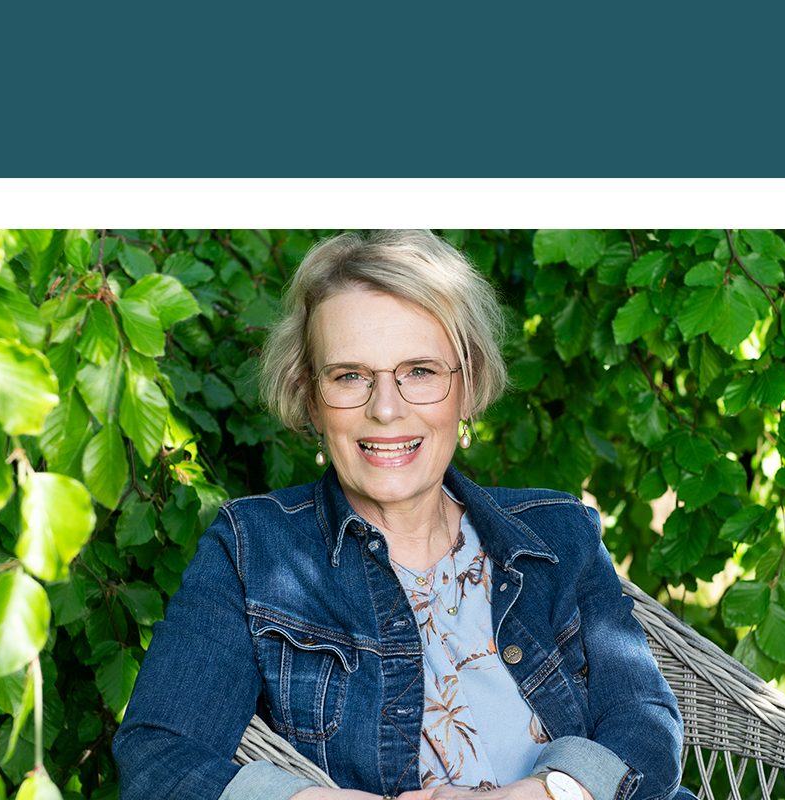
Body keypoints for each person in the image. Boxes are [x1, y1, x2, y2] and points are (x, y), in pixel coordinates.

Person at [113, 230, 694, 800]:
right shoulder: (252, 552)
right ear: (311, 397)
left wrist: (548, 793)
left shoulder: (558, 531)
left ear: (467, 386)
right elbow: (157, 759)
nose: (386, 409)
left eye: (420, 371)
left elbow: (645, 721)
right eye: (349, 376)